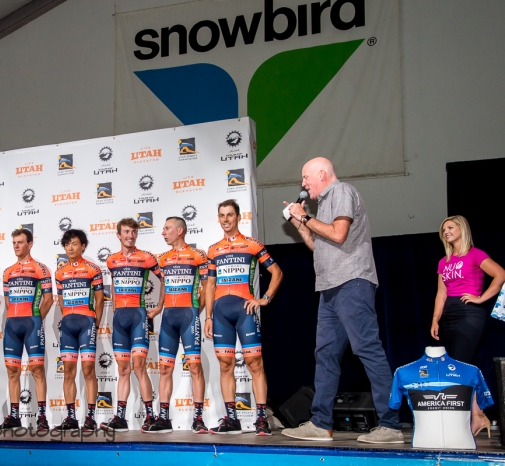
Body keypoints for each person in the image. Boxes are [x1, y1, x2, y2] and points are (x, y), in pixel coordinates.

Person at [281, 157, 402, 443]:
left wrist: (307, 216)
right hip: (329, 288)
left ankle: (391, 425)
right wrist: (301, 223)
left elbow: (338, 233)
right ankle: (321, 423)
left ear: (322, 173)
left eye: (306, 177)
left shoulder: (342, 192)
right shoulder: (323, 204)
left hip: (352, 283)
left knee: (368, 350)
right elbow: (318, 245)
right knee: (325, 356)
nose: (303, 184)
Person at [204, 199, 283, 435]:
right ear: (218, 219)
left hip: (245, 311)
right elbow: (209, 286)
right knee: (225, 365)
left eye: (230, 215)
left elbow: (276, 272)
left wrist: (265, 299)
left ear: (238, 217)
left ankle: (261, 418)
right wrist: (208, 317)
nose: (226, 219)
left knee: (255, 364)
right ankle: (231, 419)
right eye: (222, 215)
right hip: (220, 313)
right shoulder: (213, 249)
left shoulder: (251, 244)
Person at [431, 215, 505, 436]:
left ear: (462, 229)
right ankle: (477, 415)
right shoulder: (443, 262)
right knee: (460, 365)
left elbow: (500, 274)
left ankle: (471, 417)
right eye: (443, 229)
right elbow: (441, 293)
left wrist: (481, 298)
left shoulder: (475, 254)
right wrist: (435, 319)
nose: (446, 232)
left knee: (459, 365)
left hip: (470, 314)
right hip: (450, 315)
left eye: (450, 227)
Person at [145, 216, 210, 434]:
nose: (163, 232)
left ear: (180, 231)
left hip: (188, 317)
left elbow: (208, 287)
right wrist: (159, 308)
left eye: (167, 229)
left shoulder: (197, 255)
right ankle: (164, 418)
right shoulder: (163, 259)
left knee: (194, 367)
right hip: (168, 319)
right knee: (165, 368)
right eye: (163, 229)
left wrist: (197, 311)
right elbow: (163, 285)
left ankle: (198, 418)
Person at [100, 218, 164, 433]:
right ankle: (120, 418)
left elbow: (165, 279)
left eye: (133, 232)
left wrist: (160, 307)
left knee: (139, 367)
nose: (130, 235)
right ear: (119, 235)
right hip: (119, 319)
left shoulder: (145, 258)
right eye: (126, 232)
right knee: (122, 369)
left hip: (138, 315)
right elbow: (115, 289)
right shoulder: (111, 261)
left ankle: (151, 416)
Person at [0, 228, 54, 430]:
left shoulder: (41, 268)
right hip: (12, 325)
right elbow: (6, 302)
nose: (16, 246)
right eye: (14, 242)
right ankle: (14, 416)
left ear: (30, 244)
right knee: (12, 370)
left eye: (20, 242)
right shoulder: (7, 272)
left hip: (32, 323)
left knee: (37, 370)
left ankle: (41, 417)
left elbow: (48, 299)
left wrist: (36, 319)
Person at [54, 229, 104, 432]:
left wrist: (96, 323)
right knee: (68, 372)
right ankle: (71, 417)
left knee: (88, 370)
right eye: (67, 245)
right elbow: (60, 302)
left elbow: (100, 300)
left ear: (83, 246)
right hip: (68, 325)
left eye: (74, 244)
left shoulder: (93, 268)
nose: (70, 248)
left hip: (87, 323)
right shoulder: (60, 272)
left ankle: (90, 417)